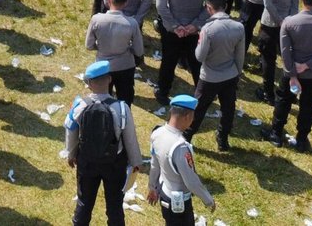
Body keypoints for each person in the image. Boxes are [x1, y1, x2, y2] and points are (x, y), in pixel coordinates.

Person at [64, 59, 142, 226]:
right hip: (114, 164)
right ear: (109, 79)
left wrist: (71, 154)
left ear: (89, 84)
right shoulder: (122, 108)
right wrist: (136, 162)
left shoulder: (80, 106)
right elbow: (130, 138)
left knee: (84, 203)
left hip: (87, 162)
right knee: (115, 206)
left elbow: (71, 130)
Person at [263, 0, 312, 151]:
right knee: (309, 106)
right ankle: (301, 139)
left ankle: (276, 133)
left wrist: (293, 74)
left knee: (283, 101)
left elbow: (285, 52)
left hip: (292, 72)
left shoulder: (289, 23)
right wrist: (307, 65)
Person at [191, 0, 246, 149]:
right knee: (228, 109)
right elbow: (240, 55)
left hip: (209, 76)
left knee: (198, 108)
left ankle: (187, 135)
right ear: (226, 5)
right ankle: (223, 139)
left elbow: (199, 56)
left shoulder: (207, 29)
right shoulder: (238, 27)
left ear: (209, 8)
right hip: (230, 75)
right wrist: (237, 73)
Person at [147, 94, 214, 224]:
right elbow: (191, 181)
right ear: (187, 117)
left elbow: (154, 165)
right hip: (179, 203)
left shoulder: (157, 133)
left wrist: (152, 187)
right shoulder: (181, 147)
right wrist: (208, 200)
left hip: (164, 193)